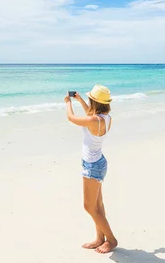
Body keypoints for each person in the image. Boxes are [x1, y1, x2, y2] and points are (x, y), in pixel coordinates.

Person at [64, 84, 118, 254]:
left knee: (89, 207)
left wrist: (68, 103)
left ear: (94, 102)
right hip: (99, 162)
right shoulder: (105, 118)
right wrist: (79, 100)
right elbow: (91, 115)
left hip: (92, 165)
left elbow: (71, 118)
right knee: (98, 205)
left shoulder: (94, 120)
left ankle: (111, 239)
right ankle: (99, 238)